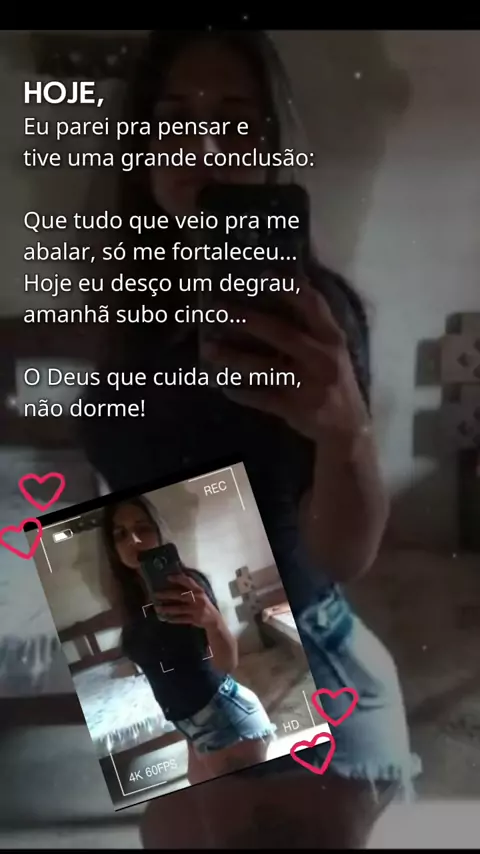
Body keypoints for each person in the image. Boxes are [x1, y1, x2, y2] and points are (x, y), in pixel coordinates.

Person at [82, 29, 420, 848]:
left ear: (269, 147)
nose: (202, 148)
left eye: (234, 122)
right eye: (174, 120)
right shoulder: (126, 301)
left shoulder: (311, 317)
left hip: (297, 660)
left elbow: (342, 557)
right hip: (174, 654)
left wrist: (346, 434)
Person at [102, 495, 275, 784]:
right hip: (190, 724)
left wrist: (213, 621)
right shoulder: (131, 602)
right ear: (113, 548)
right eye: (120, 534)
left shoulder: (189, 585)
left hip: (222, 717)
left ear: (158, 532)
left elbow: (226, 663)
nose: (133, 540)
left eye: (142, 528)